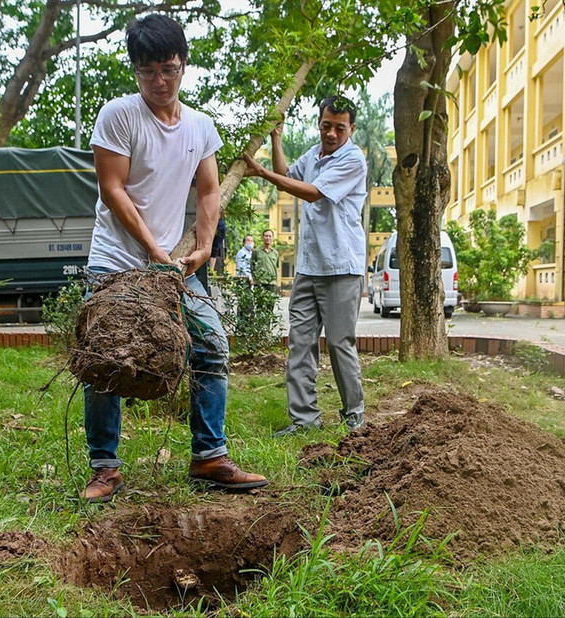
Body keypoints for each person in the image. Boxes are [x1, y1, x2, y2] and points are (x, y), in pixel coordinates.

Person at [81, 14, 268, 502]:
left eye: (168, 69)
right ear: (135, 71)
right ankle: (105, 468)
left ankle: (209, 455)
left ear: (184, 64)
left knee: (211, 345)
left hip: (175, 264)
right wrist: (154, 251)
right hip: (116, 261)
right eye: (147, 72)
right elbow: (113, 190)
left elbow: (208, 193)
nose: (159, 82)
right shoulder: (118, 116)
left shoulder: (201, 127)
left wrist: (203, 247)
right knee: (105, 355)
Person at [243, 96, 367, 436]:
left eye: (340, 128)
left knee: (340, 343)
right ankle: (304, 420)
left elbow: (312, 192)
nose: (331, 133)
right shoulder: (314, 154)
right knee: (299, 343)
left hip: (341, 266)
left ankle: (354, 414)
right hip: (308, 267)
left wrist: (261, 173)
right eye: (326, 125)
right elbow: (288, 173)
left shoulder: (353, 159)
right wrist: (276, 138)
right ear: (319, 122)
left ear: (351, 129)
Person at [250, 229, 279, 294]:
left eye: (270, 236)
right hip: (260, 283)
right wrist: (254, 279)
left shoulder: (275, 253)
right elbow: (252, 266)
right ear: (263, 237)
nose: (268, 238)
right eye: (266, 236)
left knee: (271, 303)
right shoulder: (256, 251)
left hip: (271, 283)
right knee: (259, 303)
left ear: (272, 238)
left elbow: (276, 268)